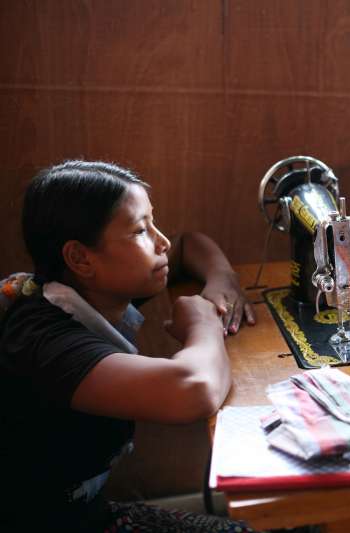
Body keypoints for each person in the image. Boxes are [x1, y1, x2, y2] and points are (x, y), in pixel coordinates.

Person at [0, 160, 259, 531]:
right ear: (79, 257)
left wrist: (223, 278)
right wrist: (204, 324)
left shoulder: (86, 293)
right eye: (141, 230)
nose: (162, 242)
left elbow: (188, 245)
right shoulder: (45, 343)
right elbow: (195, 389)